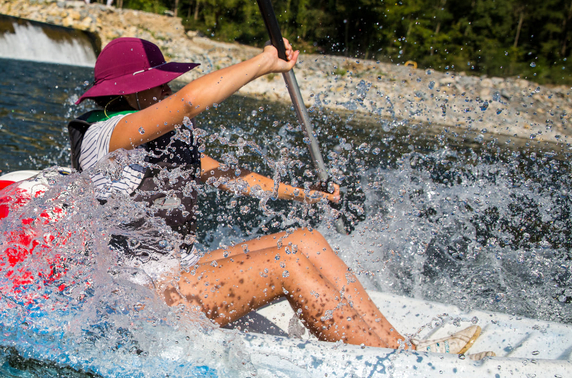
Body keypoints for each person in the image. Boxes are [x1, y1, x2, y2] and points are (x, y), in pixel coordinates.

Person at [68, 37, 488, 355]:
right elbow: (190, 101)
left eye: (167, 85)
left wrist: (305, 195)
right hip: (141, 297)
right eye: (159, 86)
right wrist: (264, 62)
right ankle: (393, 360)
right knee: (285, 263)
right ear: (127, 92)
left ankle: (399, 347)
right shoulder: (105, 136)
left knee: (305, 240)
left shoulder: (157, 139)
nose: (167, 91)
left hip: (179, 273)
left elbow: (229, 177)